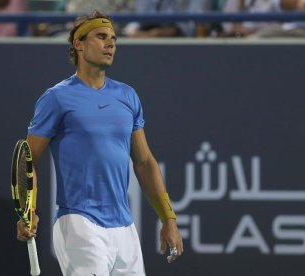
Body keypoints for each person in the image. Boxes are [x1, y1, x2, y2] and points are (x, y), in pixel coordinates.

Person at [16, 10, 183, 276]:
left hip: (124, 228)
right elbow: (28, 161)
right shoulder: (56, 98)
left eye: (114, 39)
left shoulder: (127, 96)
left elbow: (144, 162)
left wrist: (168, 219)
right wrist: (30, 210)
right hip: (79, 223)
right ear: (78, 44)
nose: (110, 44)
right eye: (101, 36)